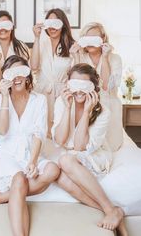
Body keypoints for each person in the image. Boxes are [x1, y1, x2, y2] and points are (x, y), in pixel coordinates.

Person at [0, 55, 60, 236]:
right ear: (6, 77)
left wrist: (33, 161)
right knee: (19, 178)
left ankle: (0, 197)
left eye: (21, 72)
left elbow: (39, 134)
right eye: (13, 73)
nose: (17, 78)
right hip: (6, 154)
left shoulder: (40, 100)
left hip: (30, 152)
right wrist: (4, 97)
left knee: (52, 170)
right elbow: (2, 131)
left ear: (28, 75)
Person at [52, 63, 126, 234]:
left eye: (83, 86)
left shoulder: (103, 112)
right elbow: (60, 139)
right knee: (60, 177)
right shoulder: (61, 103)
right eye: (74, 85)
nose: (78, 91)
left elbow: (80, 147)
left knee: (64, 160)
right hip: (72, 157)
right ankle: (112, 210)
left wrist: (86, 112)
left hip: (93, 154)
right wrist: (67, 108)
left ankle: (109, 208)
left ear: (93, 88)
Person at [70, 22, 123, 151]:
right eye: (86, 38)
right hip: (86, 107)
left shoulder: (115, 59)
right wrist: (76, 56)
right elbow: (76, 86)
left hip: (109, 105)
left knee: (109, 146)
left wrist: (105, 57)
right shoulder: (80, 57)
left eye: (94, 38)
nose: (89, 42)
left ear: (103, 38)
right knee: (85, 145)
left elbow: (106, 86)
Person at [31, 8, 74, 137]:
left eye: (56, 23)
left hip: (62, 93)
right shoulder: (41, 43)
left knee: (60, 126)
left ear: (63, 25)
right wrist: (37, 38)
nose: (52, 27)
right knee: (42, 128)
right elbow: (34, 66)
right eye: (49, 23)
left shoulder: (72, 46)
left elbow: (76, 73)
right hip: (42, 91)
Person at [0, 10, 30, 93]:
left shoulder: (22, 47)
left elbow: (28, 73)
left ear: (11, 26)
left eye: (6, 24)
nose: (2, 28)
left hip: (16, 94)